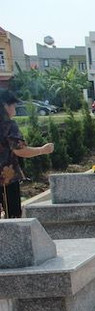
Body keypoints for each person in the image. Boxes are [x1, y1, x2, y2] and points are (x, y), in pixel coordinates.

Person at [0, 90, 54, 219]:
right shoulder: (8, 125)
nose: (15, 109)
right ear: (5, 105)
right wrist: (42, 150)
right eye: (13, 105)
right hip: (5, 178)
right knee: (12, 217)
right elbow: (19, 150)